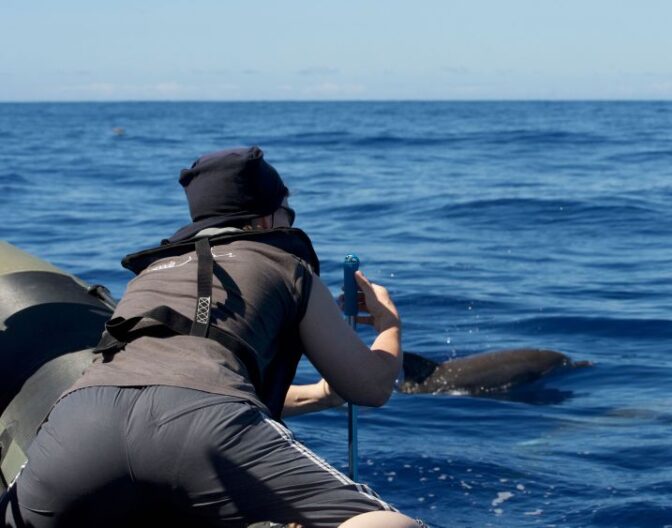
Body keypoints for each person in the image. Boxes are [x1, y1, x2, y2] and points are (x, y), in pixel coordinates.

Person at [0, 146, 422, 528]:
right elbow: (370, 386)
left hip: (79, 421)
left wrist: (321, 394)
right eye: (286, 212)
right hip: (201, 429)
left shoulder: (150, 275)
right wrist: (389, 325)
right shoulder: (287, 265)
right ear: (264, 220)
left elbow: (159, 390)